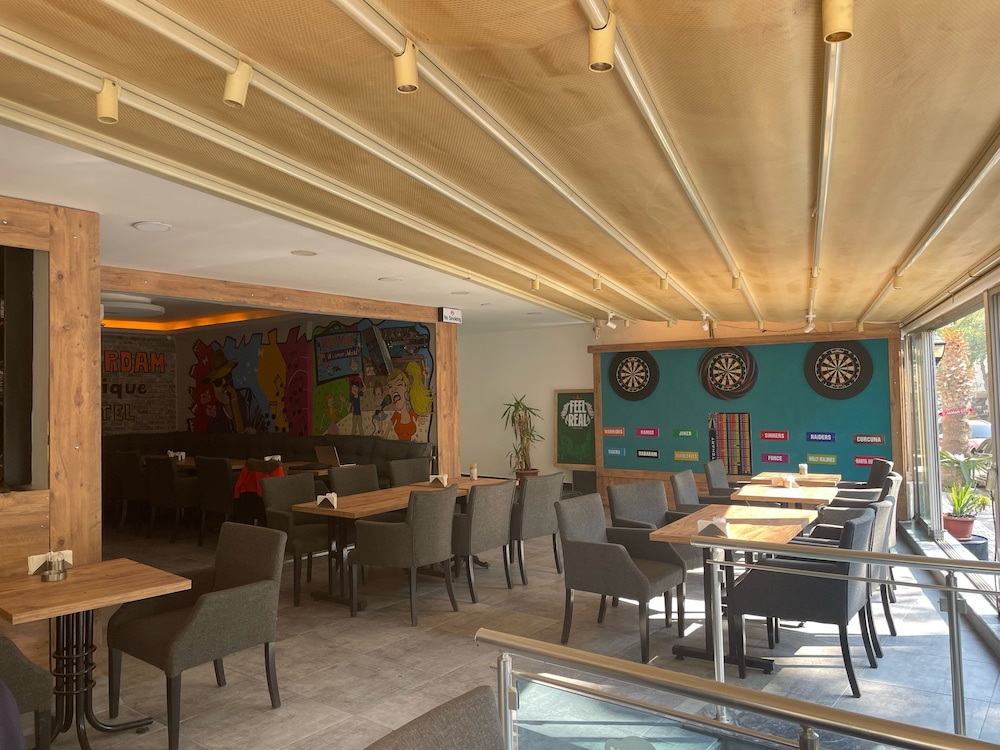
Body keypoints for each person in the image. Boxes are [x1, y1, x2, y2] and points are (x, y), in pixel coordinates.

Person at [384, 361, 432, 441]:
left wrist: (425, 380)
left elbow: (422, 421)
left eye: (399, 384)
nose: (394, 389)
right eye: (390, 386)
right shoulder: (396, 415)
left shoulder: (412, 412)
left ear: (406, 387)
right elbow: (385, 436)